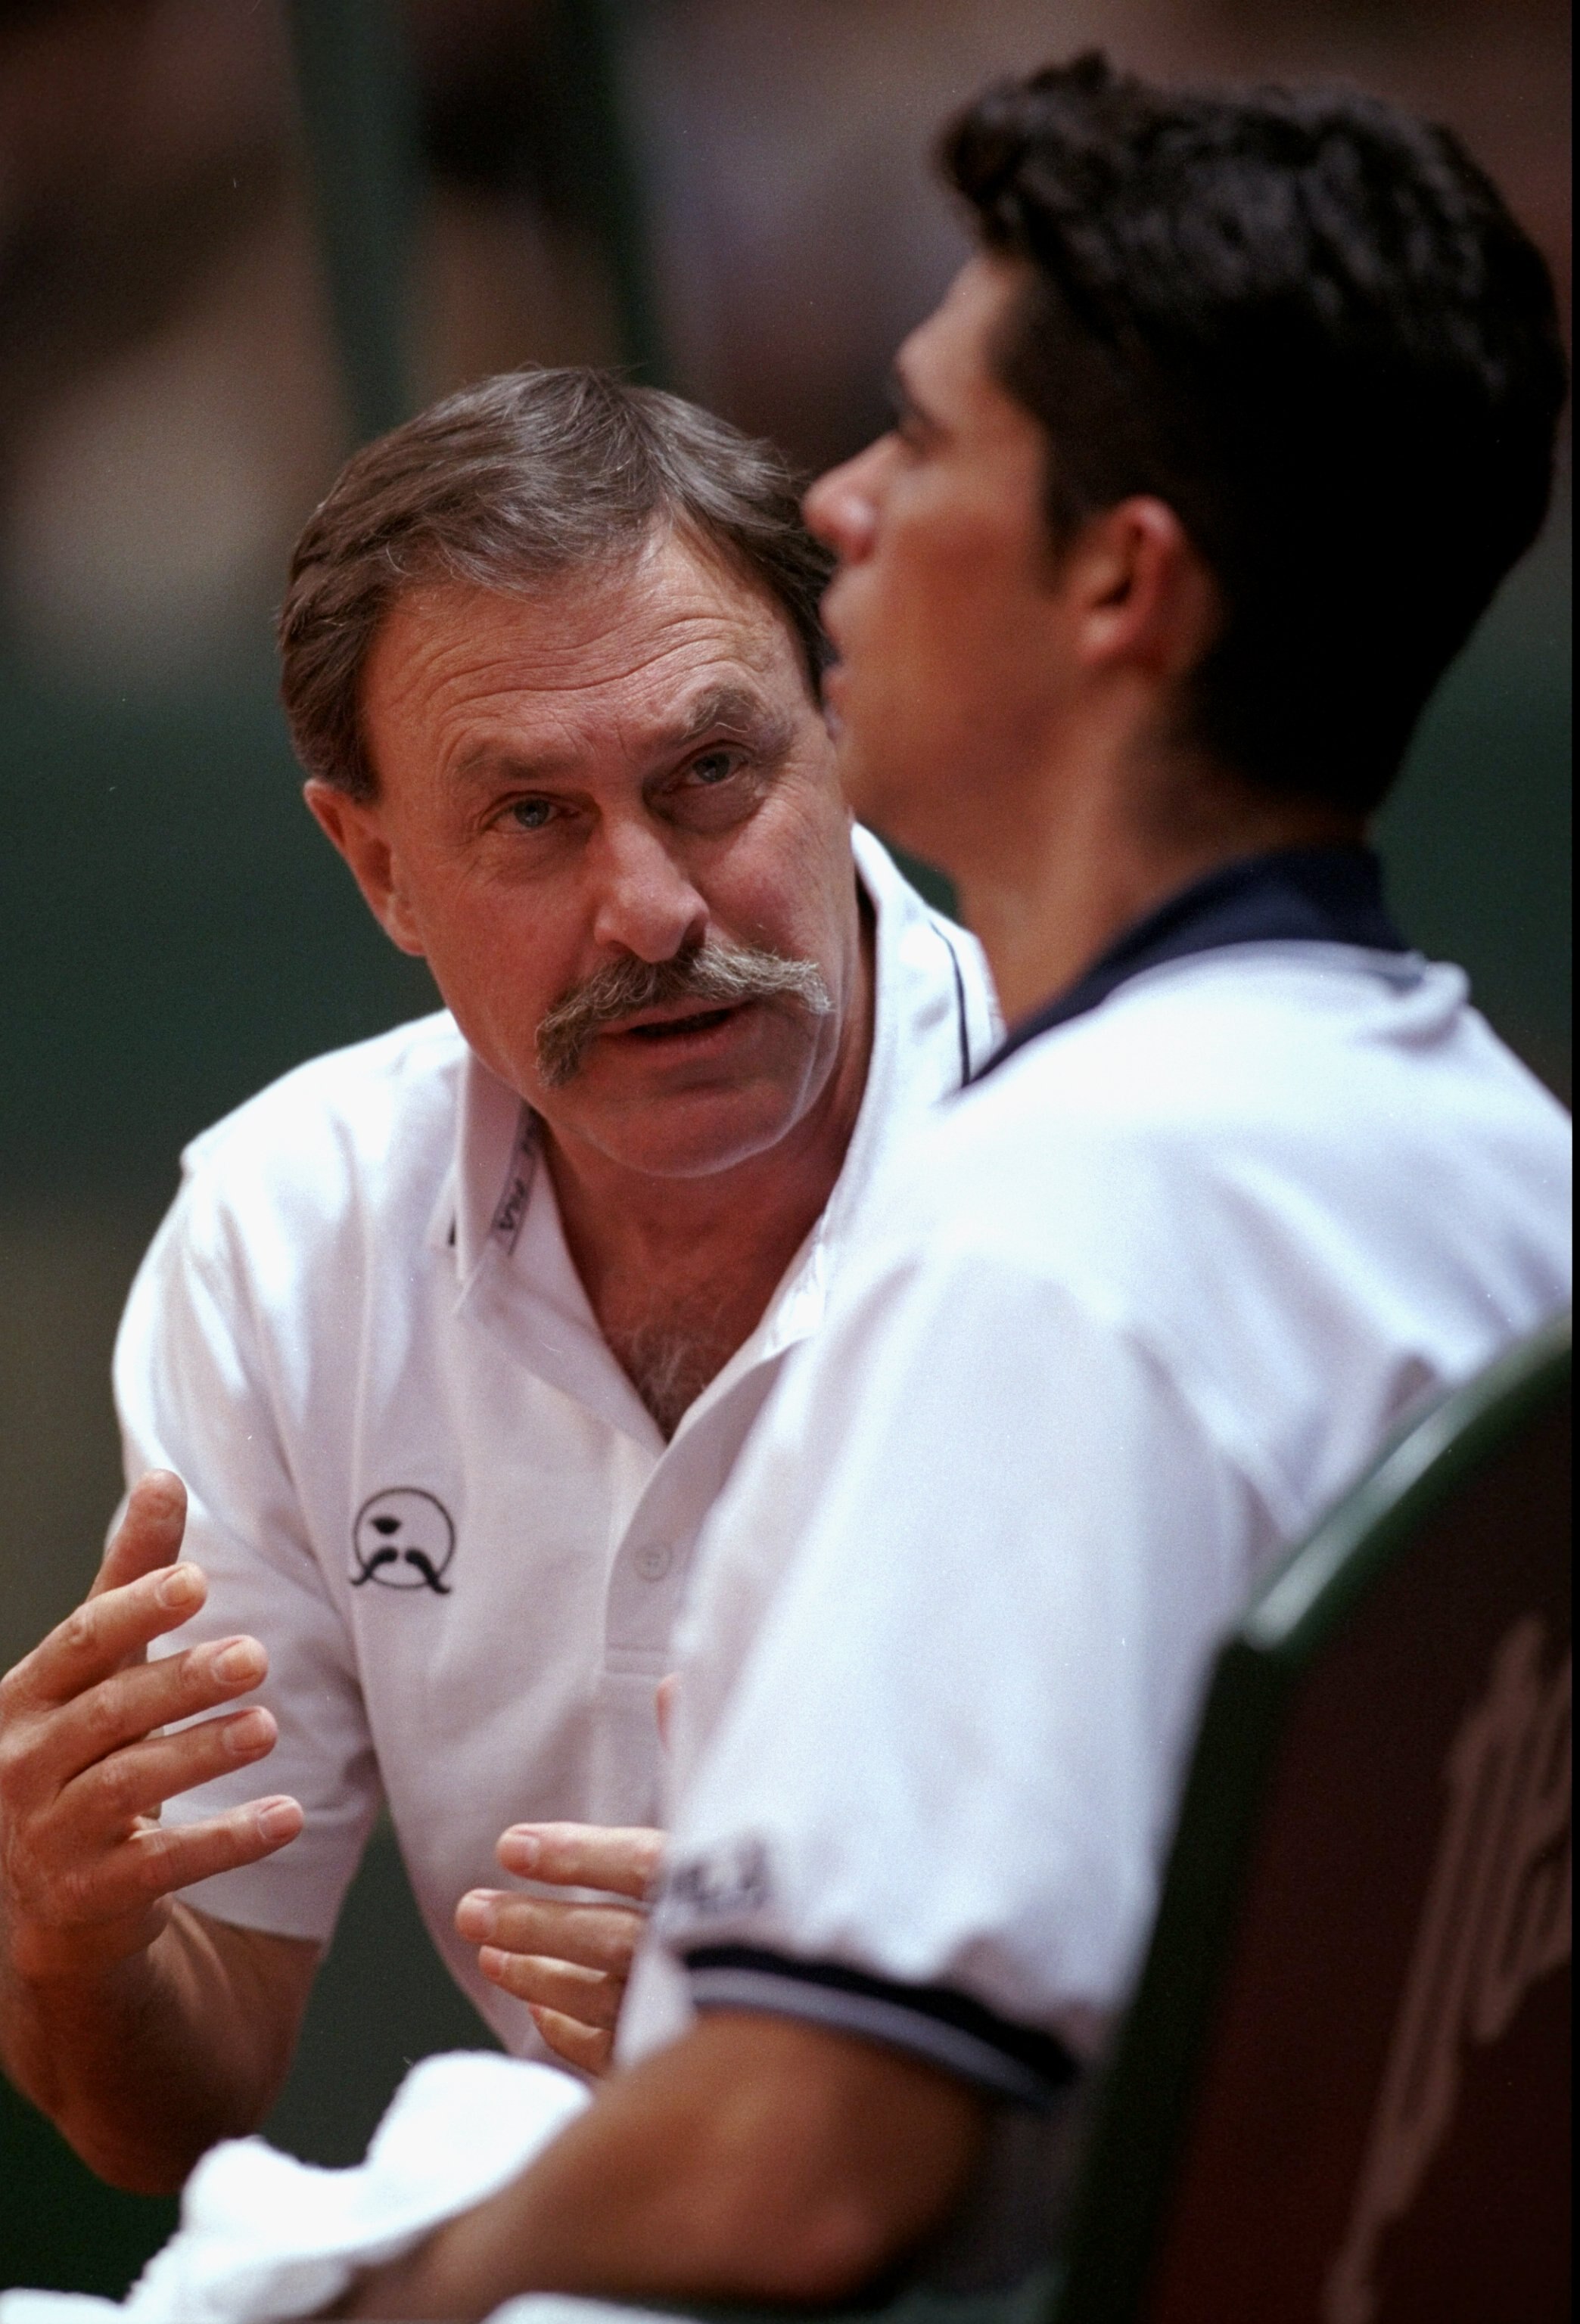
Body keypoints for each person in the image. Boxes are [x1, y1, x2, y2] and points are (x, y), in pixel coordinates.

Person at [331, 53, 1571, 2320]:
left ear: (1125, 581)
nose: (845, 501)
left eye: (928, 437)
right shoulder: (1501, 1146)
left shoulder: (1050, 1234)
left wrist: (370, 2297)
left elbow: (801, 2169)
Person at [0, 372, 998, 2192]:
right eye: (530, 818)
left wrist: (850, 2065)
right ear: (376, 865)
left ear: (840, 720)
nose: (650, 910)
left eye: (710, 772)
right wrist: (72, 1947)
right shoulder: (284, 1237)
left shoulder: (1122, 1188)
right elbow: (174, 2103)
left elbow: (1386, 2013)